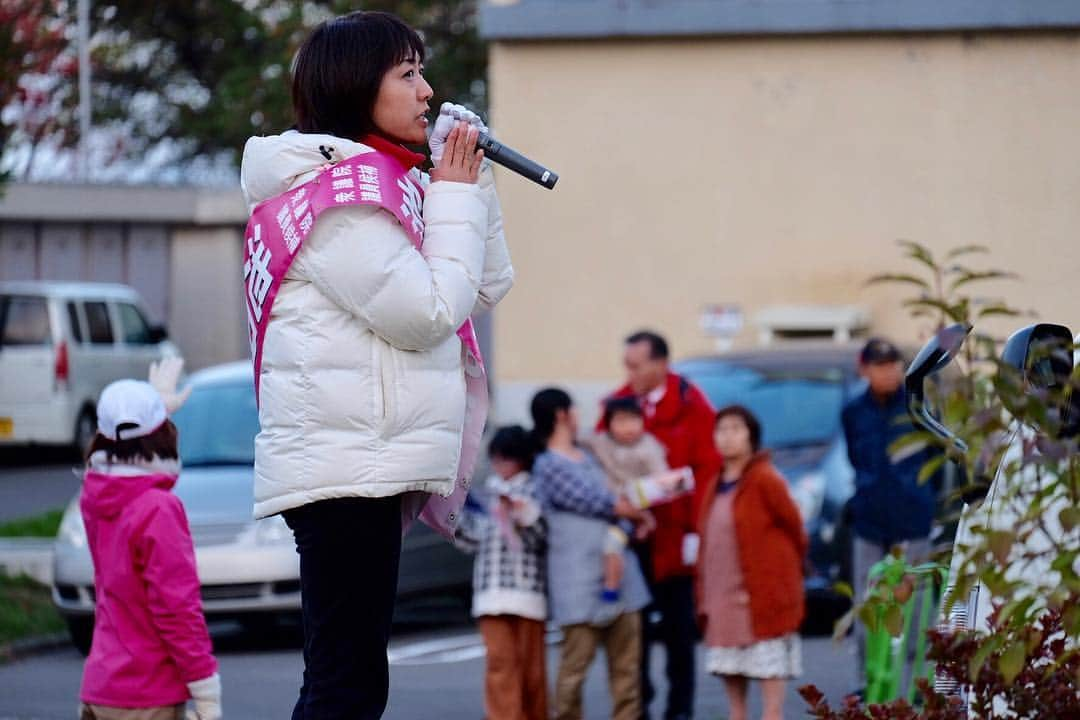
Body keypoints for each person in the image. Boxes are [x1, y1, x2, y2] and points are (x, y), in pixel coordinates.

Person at [238, 11, 513, 719]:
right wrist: (452, 193)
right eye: (408, 73)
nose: (427, 91)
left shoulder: (384, 181)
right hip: (343, 467)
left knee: (350, 679)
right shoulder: (334, 202)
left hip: (362, 463)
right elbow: (427, 313)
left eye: (422, 71)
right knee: (346, 686)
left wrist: (471, 186)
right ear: (359, 89)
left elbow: (482, 286)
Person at [78, 369, 222, 720]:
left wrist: (155, 409)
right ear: (164, 434)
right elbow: (176, 609)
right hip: (148, 697)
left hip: (100, 688)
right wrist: (205, 689)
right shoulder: (159, 508)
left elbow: (123, 443)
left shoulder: (96, 497)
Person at [600, 331, 723, 720]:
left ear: (660, 364)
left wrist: (697, 530)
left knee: (679, 631)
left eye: (636, 365)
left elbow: (707, 470)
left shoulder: (692, 404)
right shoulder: (616, 404)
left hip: (676, 537)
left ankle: (680, 709)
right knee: (631, 629)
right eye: (627, 365)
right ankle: (638, 705)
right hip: (633, 536)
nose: (629, 372)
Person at [530, 388, 652, 720]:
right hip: (579, 585)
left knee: (627, 675)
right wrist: (632, 512)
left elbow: (618, 499)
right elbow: (597, 500)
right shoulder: (548, 465)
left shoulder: (592, 456)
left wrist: (632, 518)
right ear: (561, 415)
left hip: (623, 579)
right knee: (574, 672)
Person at [841, 338, 940, 691]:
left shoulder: (918, 405)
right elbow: (856, 458)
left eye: (893, 364)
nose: (888, 372)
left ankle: (920, 688)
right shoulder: (853, 411)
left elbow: (938, 462)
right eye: (879, 365)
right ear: (864, 369)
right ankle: (869, 686)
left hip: (913, 520)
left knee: (917, 613)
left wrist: (927, 501)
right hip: (869, 522)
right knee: (867, 608)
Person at [697, 406, 807, 720]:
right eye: (721, 429)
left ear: (751, 436)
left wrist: (781, 576)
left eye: (735, 429)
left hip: (762, 595)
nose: (727, 437)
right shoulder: (714, 484)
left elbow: (795, 529)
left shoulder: (765, 479)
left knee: (769, 693)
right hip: (723, 596)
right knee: (733, 687)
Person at [454, 426, 548, 720]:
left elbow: (540, 538)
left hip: (528, 592)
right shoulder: (487, 492)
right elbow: (472, 539)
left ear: (523, 459)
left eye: (507, 459)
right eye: (496, 459)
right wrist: (452, 518)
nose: (500, 466)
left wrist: (521, 513)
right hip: (491, 593)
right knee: (500, 663)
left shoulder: (536, 489)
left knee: (532, 668)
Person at [586, 397, 691, 619]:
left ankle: (611, 589)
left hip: (637, 506)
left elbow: (661, 477)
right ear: (609, 424)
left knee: (612, 544)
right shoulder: (602, 442)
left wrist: (666, 486)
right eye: (621, 421)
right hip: (611, 505)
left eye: (634, 420)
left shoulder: (648, 446)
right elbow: (581, 440)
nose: (628, 428)